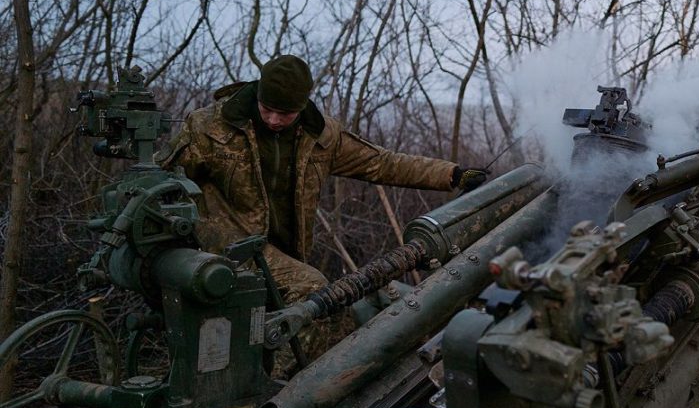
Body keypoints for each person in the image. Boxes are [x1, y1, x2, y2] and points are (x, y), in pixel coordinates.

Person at [160, 55, 488, 367]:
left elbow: (382, 162)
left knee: (331, 315)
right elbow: (163, 177)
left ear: (302, 107)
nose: (274, 120)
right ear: (257, 95)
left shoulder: (322, 137)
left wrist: (452, 175)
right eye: (267, 109)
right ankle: (284, 395)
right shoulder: (211, 127)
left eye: (284, 113)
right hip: (228, 247)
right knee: (311, 289)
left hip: (285, 251)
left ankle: (284, 376)